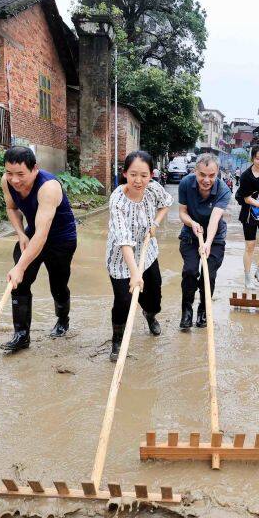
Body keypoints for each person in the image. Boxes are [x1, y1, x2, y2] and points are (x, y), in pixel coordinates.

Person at [1, 147, 78, 354]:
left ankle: (62, 320)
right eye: (9, 173)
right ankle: (21, 335)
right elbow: (12, 208)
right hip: (33, 233)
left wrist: (20, 267)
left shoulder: (48, 187)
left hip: (61, 239)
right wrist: (20, 234)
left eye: (20, 174)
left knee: (58, 285)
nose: (14, 180)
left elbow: (42, 236)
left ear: (34, 169)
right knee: (19, 283)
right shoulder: (6, 181)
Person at [106, 150, 172, 360]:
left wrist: (155, 223)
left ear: (151, 175)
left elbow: (166, 204)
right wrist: (135, 274)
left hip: (147, 253)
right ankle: (117, 340)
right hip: (121, 259)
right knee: (123, 301)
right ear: (125, 173)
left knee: (154, 297)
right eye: (133, 174)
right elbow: (123, 239)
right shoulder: (117, 200)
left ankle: (150, 315)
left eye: (144, 175)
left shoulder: (153, 189)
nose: (138, 180)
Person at [177, 153, 232, 331]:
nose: (206, 180)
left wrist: (208, 242)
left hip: (214, 238)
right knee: (190, 271)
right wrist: (192, 223)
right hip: (190, 235)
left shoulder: (223, 189)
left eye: (211, 175)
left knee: (209, 274)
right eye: (202, 175)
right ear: (195, 171)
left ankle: (203, 310)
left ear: (217, 173)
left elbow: (215, 218)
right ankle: (186, 311)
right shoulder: (186, 183)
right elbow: (182, 212)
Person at [234, 145, 259, 289]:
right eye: (258, 158)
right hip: (249, 213)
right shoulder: (246, 176)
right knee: (250, 247)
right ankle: (247, 277)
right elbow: (247, 199)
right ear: (252, 158)